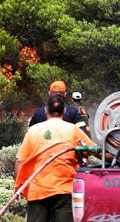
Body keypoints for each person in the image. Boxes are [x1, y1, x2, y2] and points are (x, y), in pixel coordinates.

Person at [15, 93, 95, 222]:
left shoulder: (33, 131)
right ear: (64, 110)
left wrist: (18, 188)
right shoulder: (73, 130)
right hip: (64, 192)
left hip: (37, 191)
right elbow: (93, 150)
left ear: (46, 110)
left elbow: (20, 160)